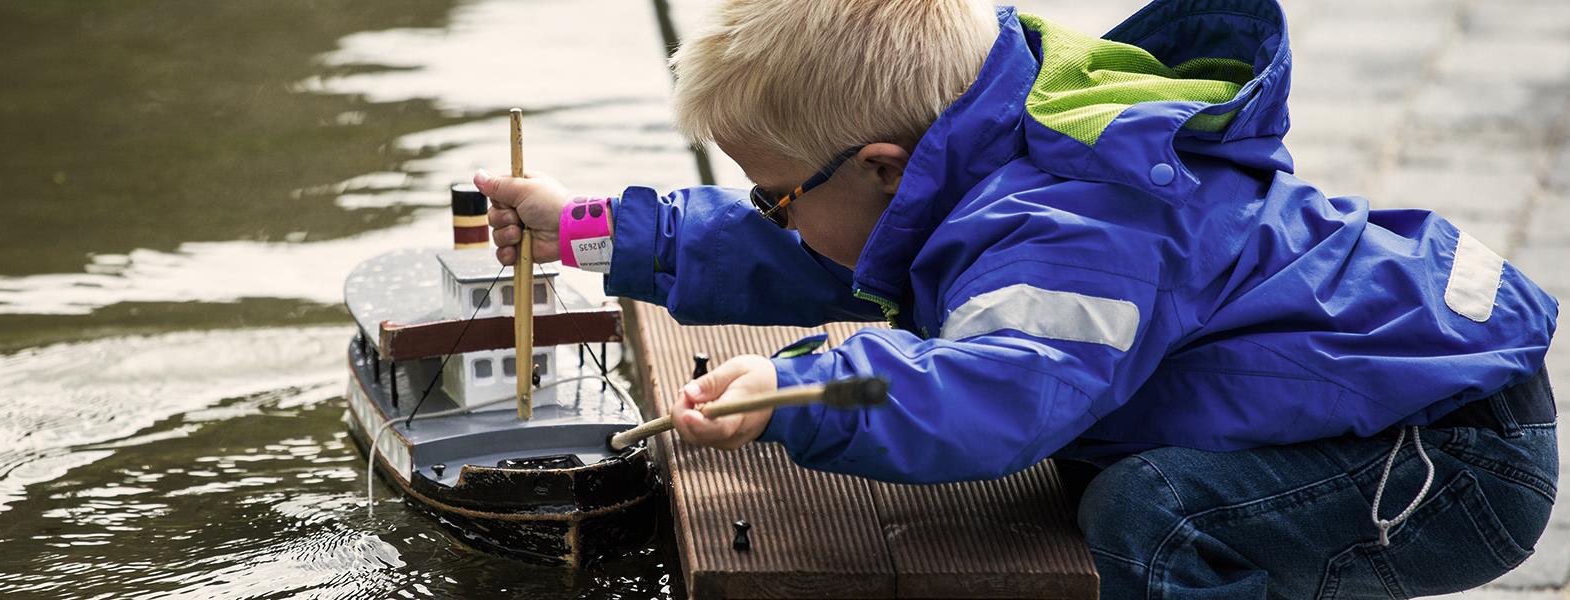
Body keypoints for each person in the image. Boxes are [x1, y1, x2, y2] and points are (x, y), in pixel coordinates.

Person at [474, 0, 1560, 596]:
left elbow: (1001, 389)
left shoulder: (1073, 226)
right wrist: (583, 226)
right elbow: (812, 256)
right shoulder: (968, 161)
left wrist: (802, 388)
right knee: (1121, 480)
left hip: (1442, 459)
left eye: (774, 195)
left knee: (1150, 516)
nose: (775, 217)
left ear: (885, 167)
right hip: (1368, 423)